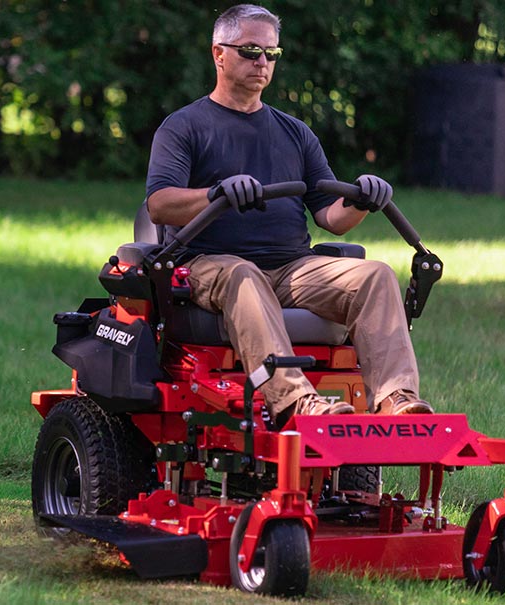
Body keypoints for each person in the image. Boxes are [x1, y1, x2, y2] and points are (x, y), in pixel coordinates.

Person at [144, 3, 433, 426]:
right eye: (249, 51)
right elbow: (159, 203)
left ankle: (397, 400)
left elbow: (330, 217)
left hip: (291, 268)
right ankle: (297, 402)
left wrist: (361, 200)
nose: (262, 62)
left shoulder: (295, 133)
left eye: (271, 54)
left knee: (375, 276)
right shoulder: (183, 127)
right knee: (244, 274)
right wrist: (215, 193)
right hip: (209, 264)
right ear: (218, 54)